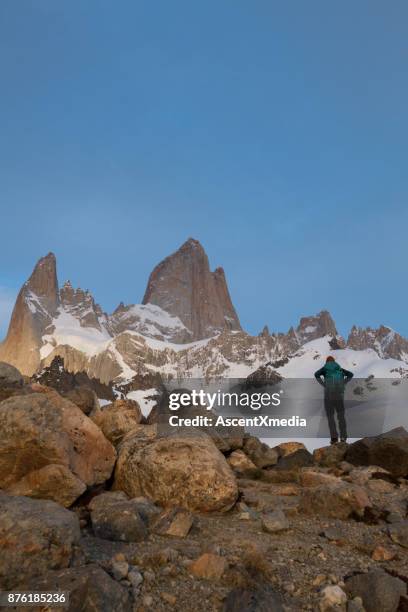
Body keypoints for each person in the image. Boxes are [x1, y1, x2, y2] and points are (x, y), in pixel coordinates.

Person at [314, 356, 353, 444]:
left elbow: (316, 374)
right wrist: (344, 382)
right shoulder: (339, 369)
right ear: (334, 361)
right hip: (339, 395)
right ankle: (343, 437)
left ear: (326, 362)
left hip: (329, 396)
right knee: (341, 417)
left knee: (330, 417)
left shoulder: (325, 368)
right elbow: (351, 374)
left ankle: (334, 439)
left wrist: (323, 384)